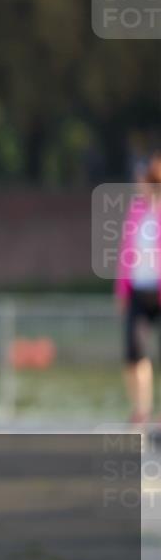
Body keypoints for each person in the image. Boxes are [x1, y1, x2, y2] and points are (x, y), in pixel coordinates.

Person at [115, 150, 161, 425]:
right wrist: (121, 290)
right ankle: (142, 409)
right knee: (135, 352)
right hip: (139, 291)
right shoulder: (136, 211)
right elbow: (126, 253)